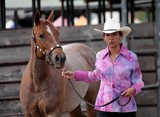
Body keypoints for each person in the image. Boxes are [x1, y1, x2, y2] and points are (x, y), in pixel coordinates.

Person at [62, 18, 144, 117]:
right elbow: (94, 75)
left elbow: (138, 81)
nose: (111, 38)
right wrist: (75, 74)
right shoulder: (100, 56)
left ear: (120, 36)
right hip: (104, 108)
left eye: (114, 34)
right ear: (104, 37)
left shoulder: (131, 57)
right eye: (108, 35)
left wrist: (133, 89)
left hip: (126, 108)